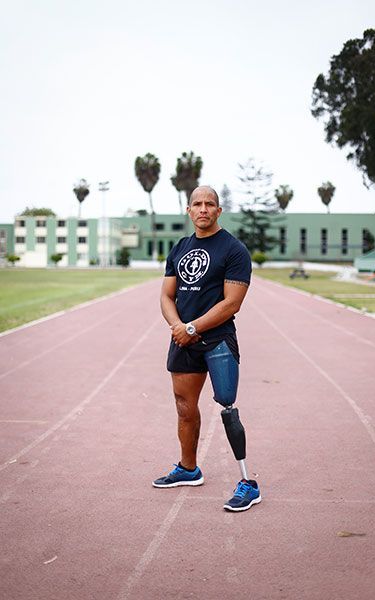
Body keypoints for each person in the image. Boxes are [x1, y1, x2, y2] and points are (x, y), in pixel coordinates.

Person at [153, 185, 261, 512]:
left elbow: (232, 303)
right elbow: (166, 296)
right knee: (184, 407)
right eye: (197, 204)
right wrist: (178, 326)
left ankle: (248, 483)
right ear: (189, 210)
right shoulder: (180, 248)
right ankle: (189, 469)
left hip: (216, 339)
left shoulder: (234, 250)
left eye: (209, 204)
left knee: (227, 405)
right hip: (183, 340)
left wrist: (191, 328)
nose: (203, 209)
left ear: (218, 210)